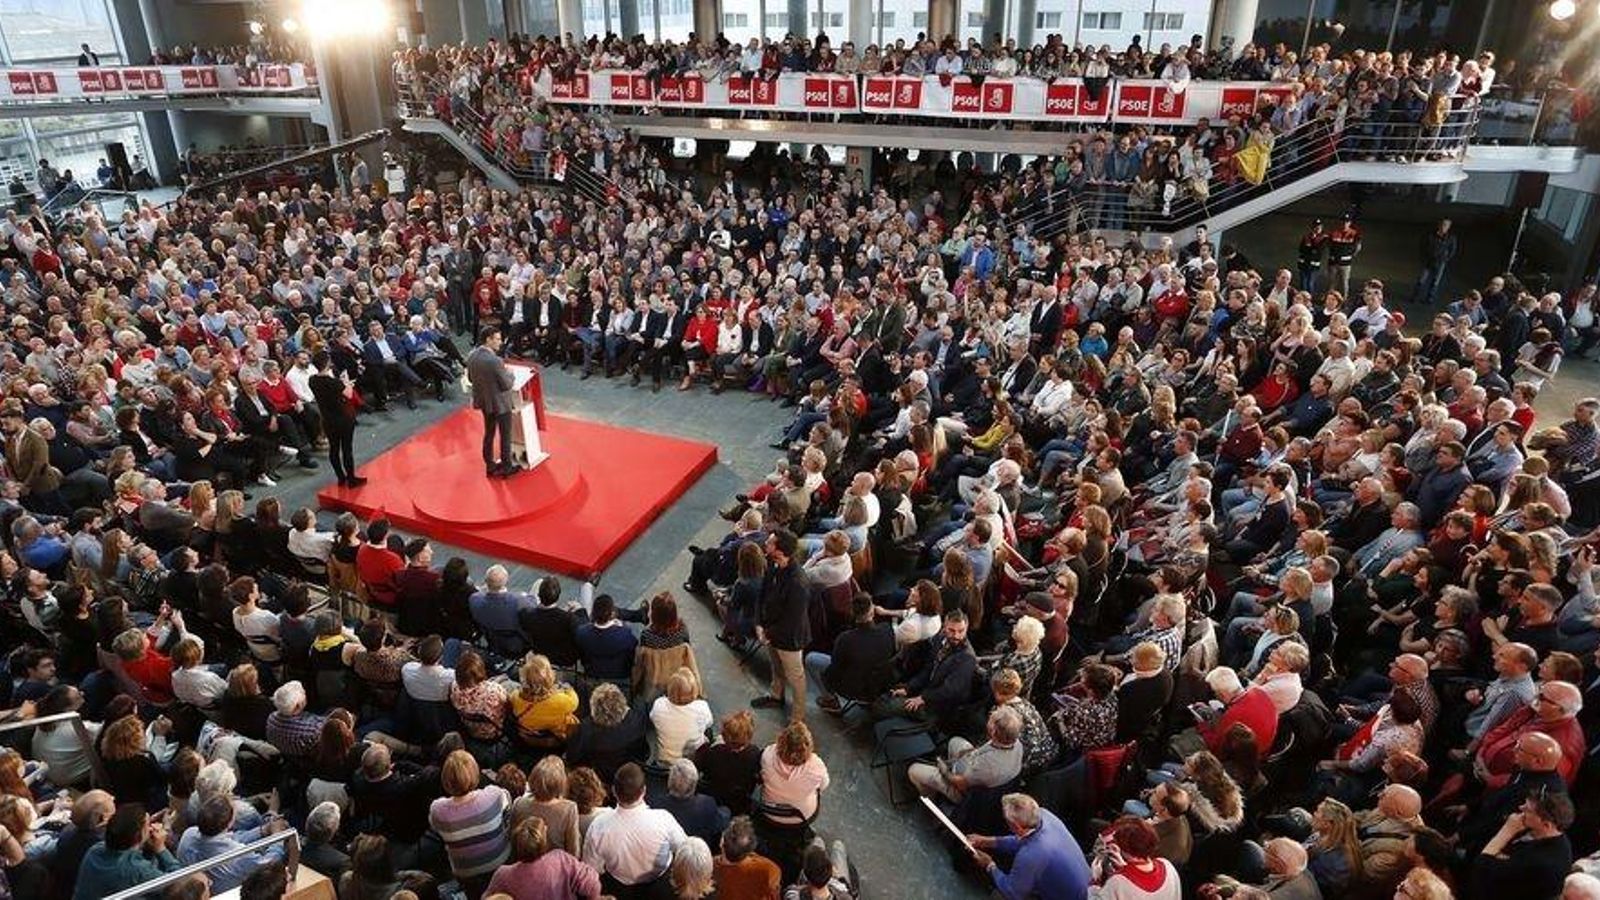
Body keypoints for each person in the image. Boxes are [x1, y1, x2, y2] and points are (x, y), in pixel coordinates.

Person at [581, 762, 687, 893]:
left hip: (619, 890)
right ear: (644, 791)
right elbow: (685, 851)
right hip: (661, 889)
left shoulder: (598, 826)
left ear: (614, 791)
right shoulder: (664, 820)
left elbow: (591, 870)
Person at [966, 793, 1091, 900]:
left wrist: (989, 865)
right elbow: (1023, 840)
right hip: (1088, 884)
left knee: (998, 896)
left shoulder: (1032, 854)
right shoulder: (1045, 816)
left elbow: (1013, 892)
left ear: (1016, 827)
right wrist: (987, 841)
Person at [467, 325, 522, 478]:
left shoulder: (471, 355)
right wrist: (510, 374)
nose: (501, 342)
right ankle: (507, 467)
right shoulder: (495, 360)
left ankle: (490, 466)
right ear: (488, 340)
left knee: (489, 433)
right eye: (497, 339)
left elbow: (471, 379)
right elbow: (507, 384)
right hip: (500, 403)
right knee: (505, 435)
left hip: (485, 401)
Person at [308, 350, 366, 488]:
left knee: (334, 449)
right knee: (346, 449)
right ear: (327, 363)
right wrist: (347, 382)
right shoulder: (333, 382)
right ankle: (351, 478)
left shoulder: (312, 380)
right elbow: (349, 394)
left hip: (328, 419)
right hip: (343, 418)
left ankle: (341, 477)